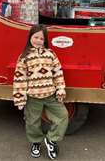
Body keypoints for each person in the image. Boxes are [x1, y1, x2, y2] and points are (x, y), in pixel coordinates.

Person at [13, 24, 68, 159]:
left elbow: (58, 72)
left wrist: (60, 89)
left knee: (63, 116)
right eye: (35, 37)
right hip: (33, 97)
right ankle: (35, 142)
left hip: (51, 95)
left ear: (45, 40)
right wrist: (20, 97)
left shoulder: (51, 54)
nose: (38, 40)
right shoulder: (24, 57)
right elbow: (19, 78)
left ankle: (51, 139)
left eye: (41, 39)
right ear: (30, 37)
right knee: (32, 122)